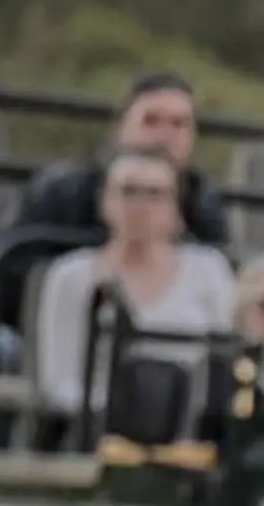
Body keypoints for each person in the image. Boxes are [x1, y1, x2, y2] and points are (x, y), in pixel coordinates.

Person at [0, 70, 231, 396]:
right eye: (152, 121)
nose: (166, 135)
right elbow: (1, 277)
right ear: (120, 128)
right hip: (42, 334)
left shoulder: (204, 212)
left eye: (180, 124)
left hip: (163, 362)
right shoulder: (58, 193)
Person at [26, 144, 237, 422]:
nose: (140, 206)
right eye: (128, 192)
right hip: (91, 428)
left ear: (177, 209)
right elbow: (57, 380)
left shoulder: (209, 270)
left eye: (155, 195)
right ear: (104, 202)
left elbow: (225, 364)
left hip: (189, 430)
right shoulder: (70, 275)